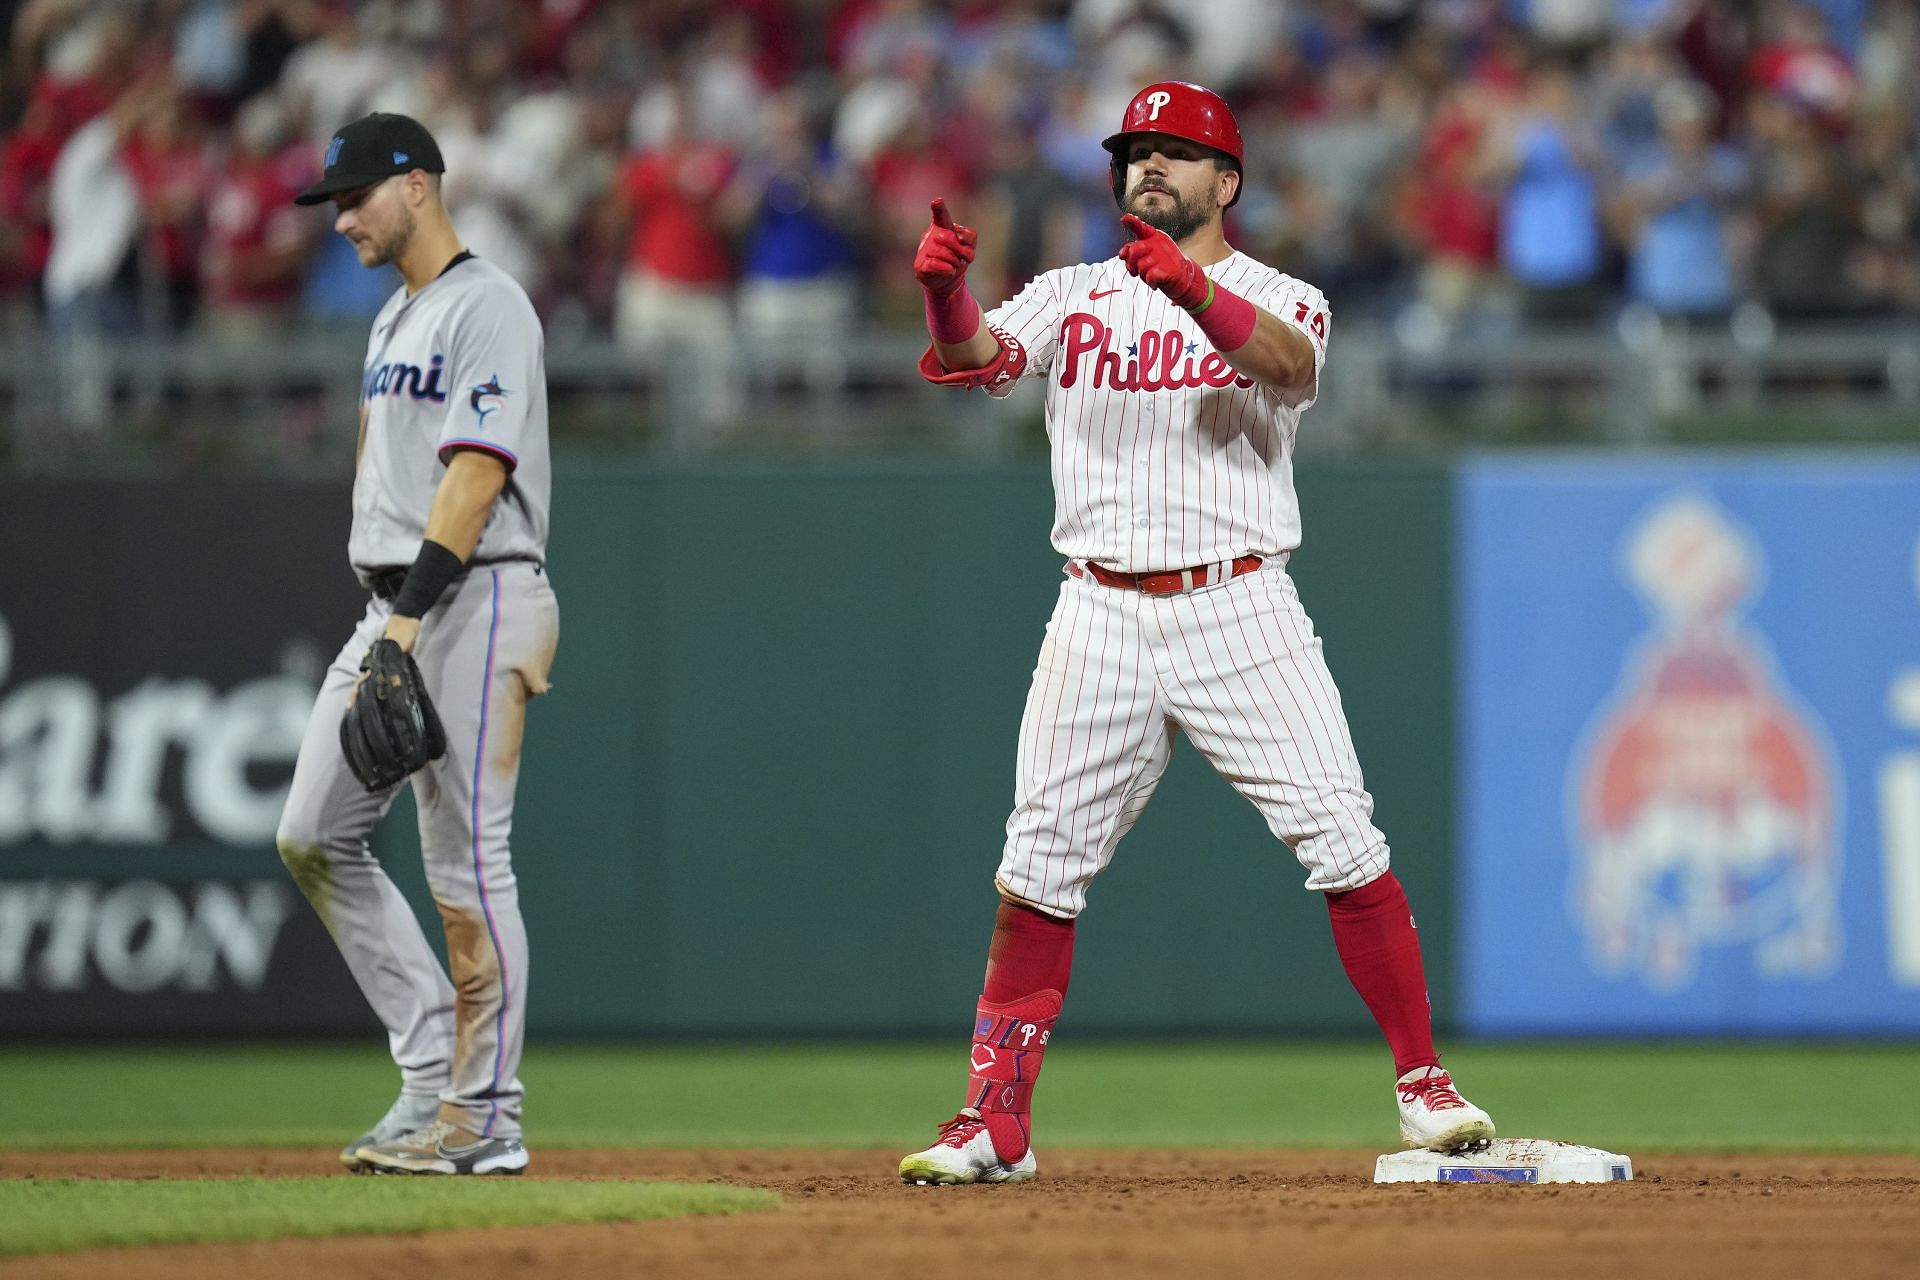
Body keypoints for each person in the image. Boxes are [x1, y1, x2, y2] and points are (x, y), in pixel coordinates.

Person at [898, 81, 1495, 1186]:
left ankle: (1425, 1086)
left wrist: (1191, 290)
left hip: (1239, 602)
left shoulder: (1285, 293)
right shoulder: (1073, 292)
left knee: (1343, 838)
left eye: (1177, 153)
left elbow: (1289, 366)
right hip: (1099, 608)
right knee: (1038, 862)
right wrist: (945, 297)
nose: (1151, 168)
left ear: (1227, 183)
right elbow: (981, 362)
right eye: (1138, 152)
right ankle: (995, 1119)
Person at [275, 112, 559, 1176]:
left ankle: (485, 1114)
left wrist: (407, 616)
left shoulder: (488, 305)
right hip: (395, 604)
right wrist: (385, 613)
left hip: (476, 595)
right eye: (333, 201)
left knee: (467, 863)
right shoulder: (394, 319)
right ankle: (433, 1063)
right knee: (313, 832)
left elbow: (476, 476)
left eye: (355, 195)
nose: (340, 216)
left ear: (418, 185)